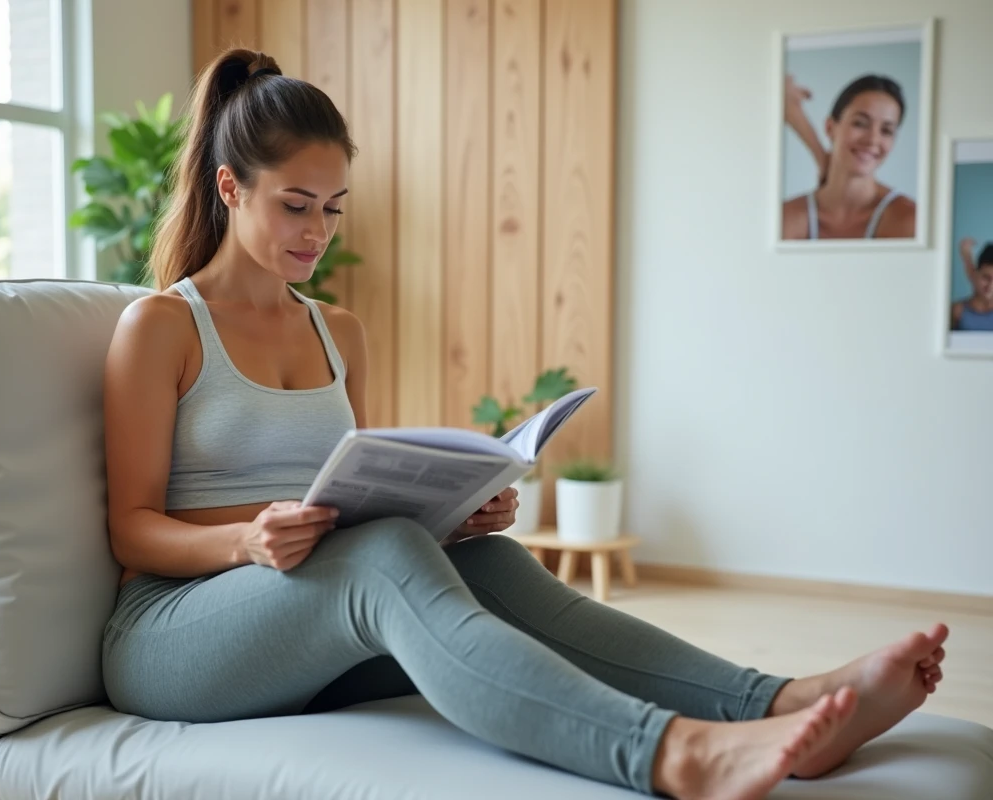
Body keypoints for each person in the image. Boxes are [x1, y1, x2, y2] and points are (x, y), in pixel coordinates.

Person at [100, 48, 949, 799]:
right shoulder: (163, 327)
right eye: (295, 205)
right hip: (176, 636)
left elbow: (339, 498)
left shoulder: (339, 330)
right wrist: (249, 540)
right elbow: (133, 532)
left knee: (492, 561)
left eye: (334, 208)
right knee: (386, 558)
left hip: (301, 624)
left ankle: (780, 702)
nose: (317, 232)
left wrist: (447, 511)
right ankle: (677, 756)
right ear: (228, 187)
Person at [782, 73, 916, 240]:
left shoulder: (910, 221)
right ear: (830, 128)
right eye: (860, 123)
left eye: (886, 131)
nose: (873, 139)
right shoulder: (786, 219)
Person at [951, 238, 993, 331]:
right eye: (986, 278)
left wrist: (966, 255)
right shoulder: (957, 311)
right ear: (976, 275)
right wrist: (966, 256)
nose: (991, 286)